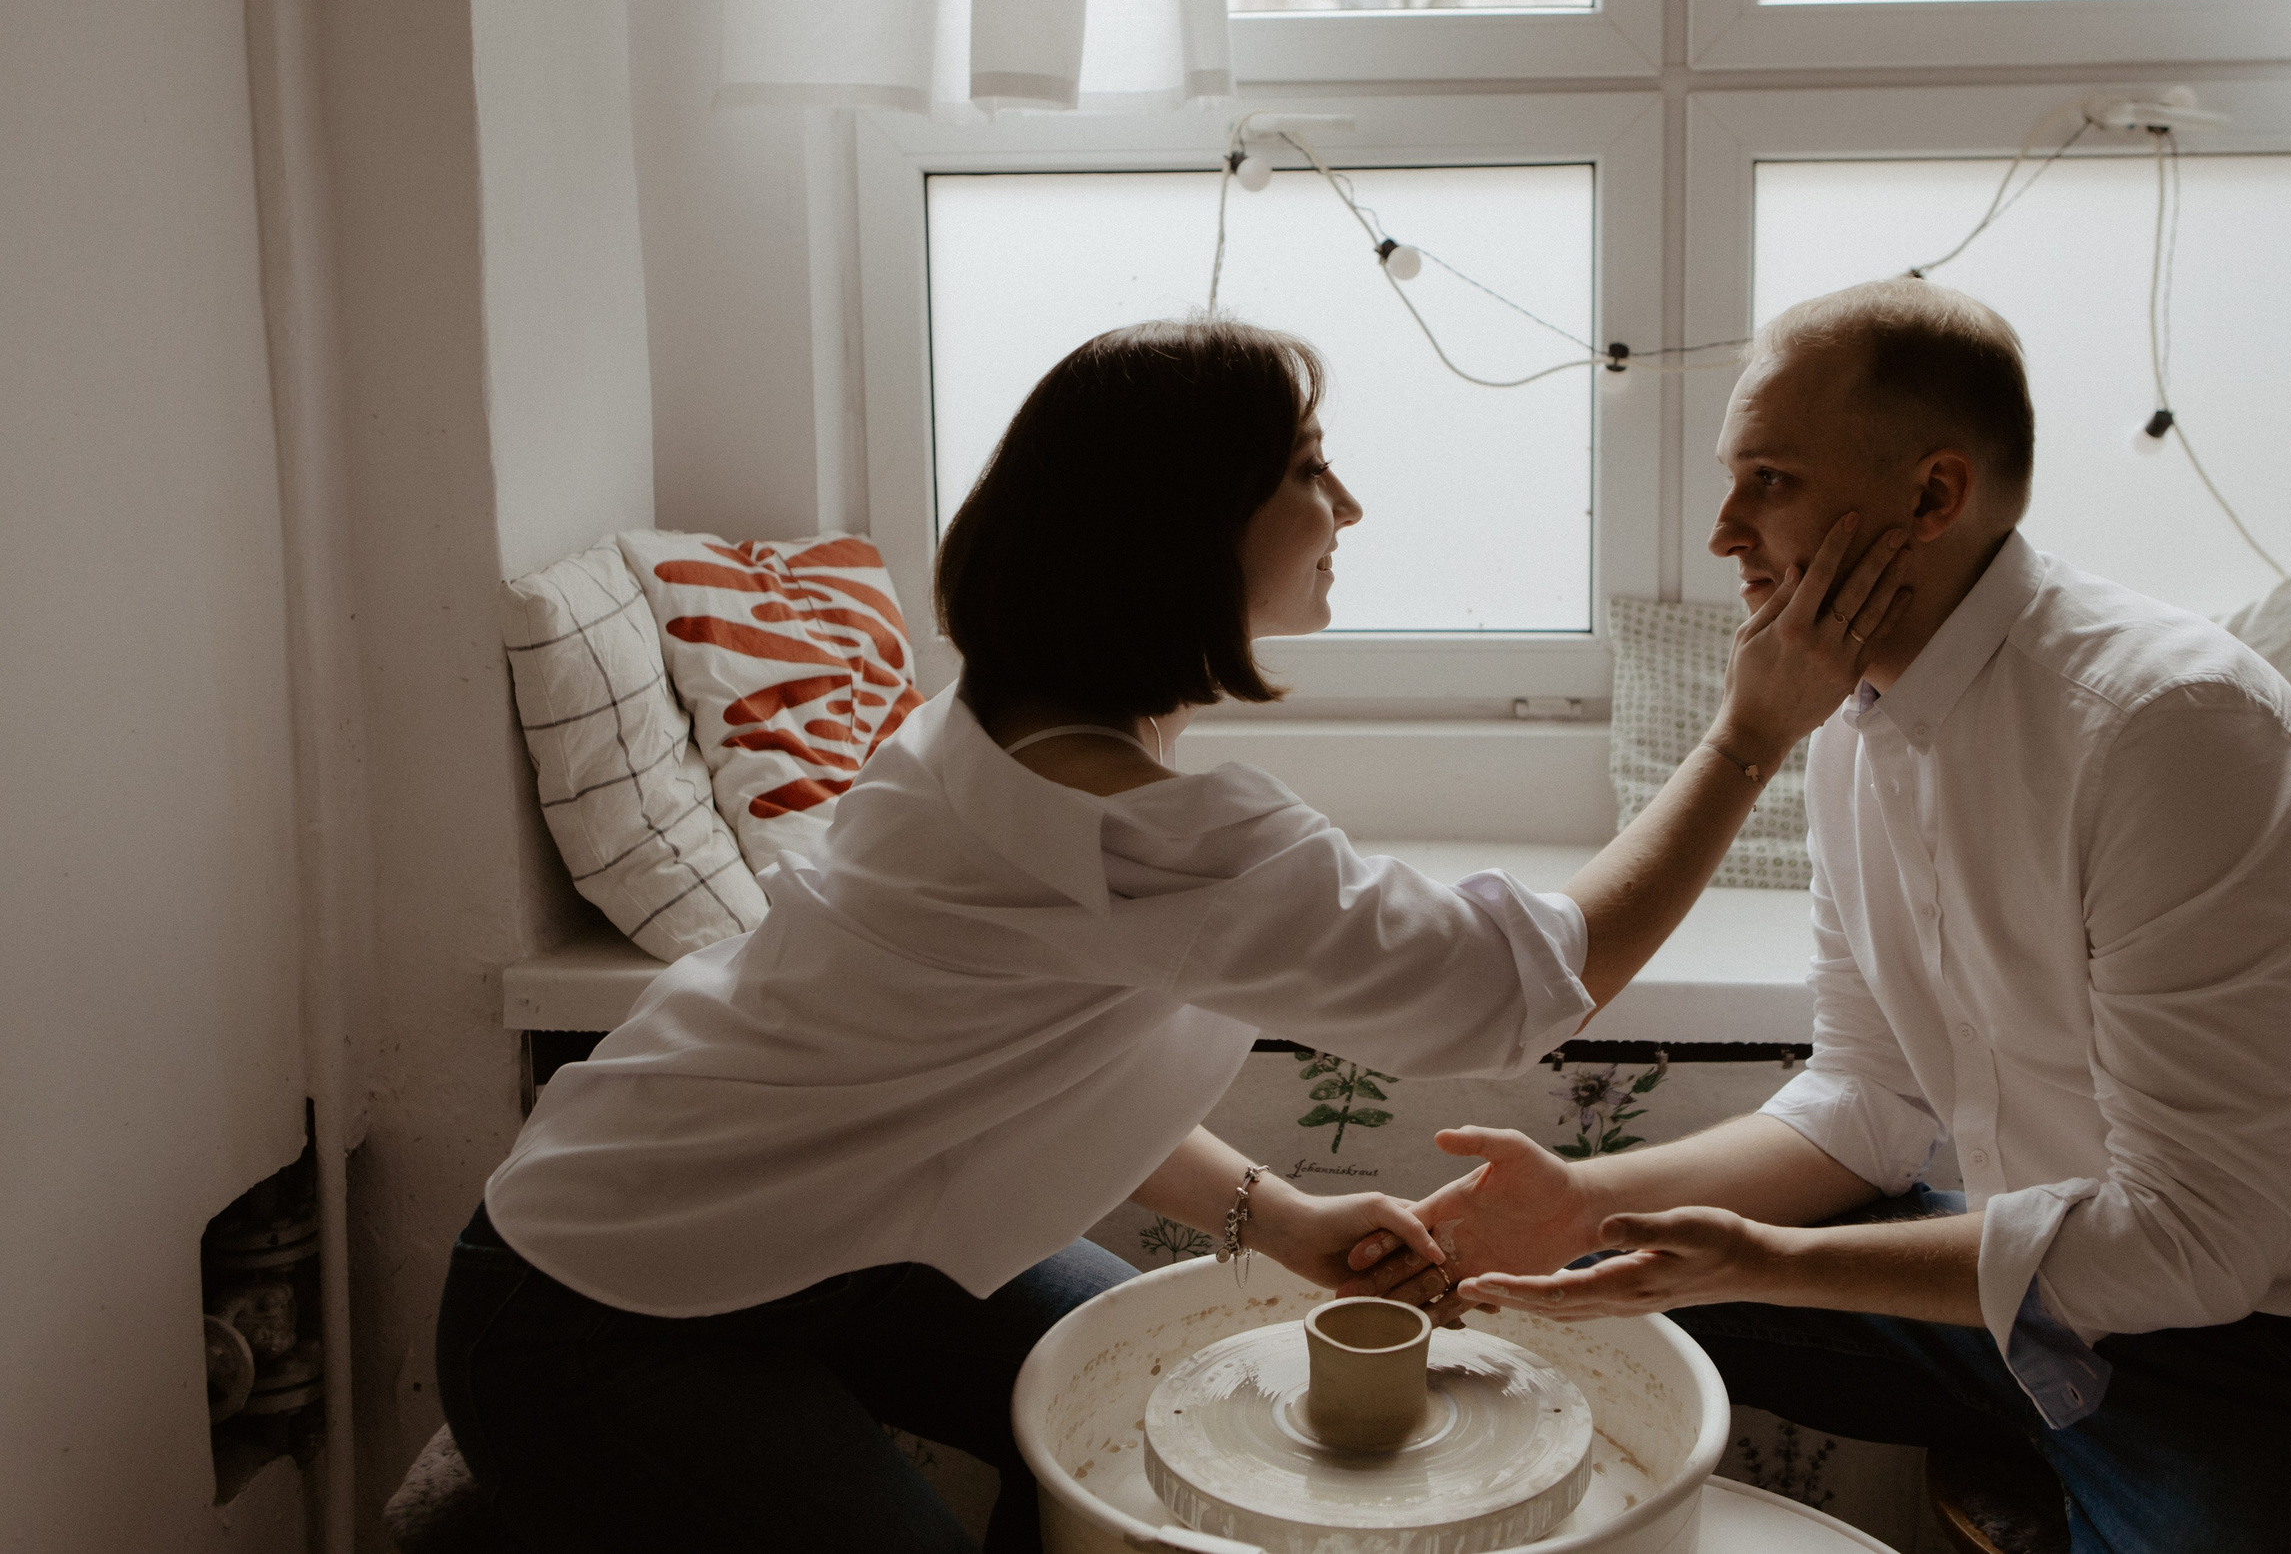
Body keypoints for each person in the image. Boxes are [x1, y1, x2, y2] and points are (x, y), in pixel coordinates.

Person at [436, 317, 1912, 1554]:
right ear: (1181, 528)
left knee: (1148, 1404)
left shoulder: (989, 729)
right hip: (591, 1306)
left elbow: (1017, 1065)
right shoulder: (1146, 835)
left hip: (819, 1232)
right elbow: (1519, 986)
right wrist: (1748, 731)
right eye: (1308, 467)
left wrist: (1286, 1218)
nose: (1348, 505)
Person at [1344, 280, 2291, 1553]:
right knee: (1549, 1307)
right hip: (2057, 1305)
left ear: (1932, 495)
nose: (1721, 532)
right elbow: (1869, 1102)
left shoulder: (2167, 728)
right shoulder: (1847, 728)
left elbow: (2196, 1244)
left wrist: (1762, 1259)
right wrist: (1583, 1202)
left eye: (1767, 480)